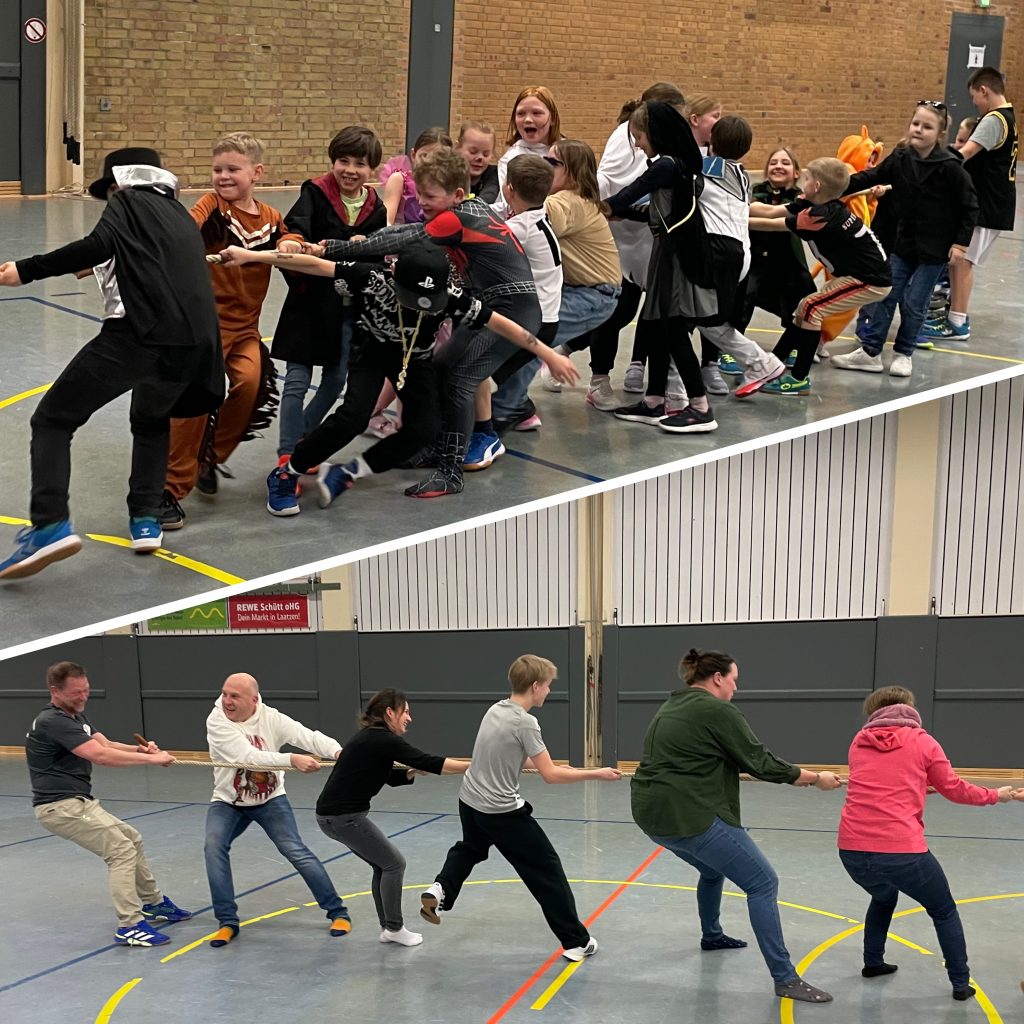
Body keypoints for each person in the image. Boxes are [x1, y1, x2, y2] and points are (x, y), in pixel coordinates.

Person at [0, 147, 223, 579]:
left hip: (139, 334)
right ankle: (146, 518)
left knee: (53, 419)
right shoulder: (177, 216)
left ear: (121, 183)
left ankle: (49, 525)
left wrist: (24, 271)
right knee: (151, 421)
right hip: (194, 346)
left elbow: (98, 244)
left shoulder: (129, 201)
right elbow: (129, 257)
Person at [219, 240, 575, 506]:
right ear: (394, 275)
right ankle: (288, 472)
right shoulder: (372, 276)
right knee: (354, 416)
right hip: (372, 351)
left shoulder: (451, 296)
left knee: (424, 429)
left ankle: (346, 472)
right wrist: (251, 255)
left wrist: (547, 353)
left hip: (414, 359)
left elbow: (501, 323)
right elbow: (312, 263)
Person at [311, 148, 544, 498]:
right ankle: (438, 447)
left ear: (457, 194)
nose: (421, 202)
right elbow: (411, 234)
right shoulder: (468, 210)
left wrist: (333, 248)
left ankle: (451, 472)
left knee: (461, 380)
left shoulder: (459, 217)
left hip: (514, 309)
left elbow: (407, 238)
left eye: (430, 196)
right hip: (496, 302)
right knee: (439, 368)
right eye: (419, 194)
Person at [631, 649, 843, 1004]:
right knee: (763, 882)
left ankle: (712, 935)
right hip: (689, 815)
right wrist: (815, 778)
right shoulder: (716, 710)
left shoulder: (672, 706)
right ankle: (785, 978)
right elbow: (760, 762)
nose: (735, 688)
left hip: (652, 816)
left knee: (712, 870)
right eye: (733, 680)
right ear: (717, 678)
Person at [419, 655, 622, 961]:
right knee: (547, 871)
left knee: (471, 848)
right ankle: (576, 942)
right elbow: (551, 777)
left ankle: (441, 888)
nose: (549, 691)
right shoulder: (526, 723)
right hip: (501, 812)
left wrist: (554, 765)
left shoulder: (495, 710)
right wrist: (596, 773)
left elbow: (510, 754)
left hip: (470, 802)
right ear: (536, 686)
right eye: (548, 685)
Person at [838, 685, 1024, 1001]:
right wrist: (996, 795)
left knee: (883, 897)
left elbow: (880, 782)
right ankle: (960, 984)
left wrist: (919, 785)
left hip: (852, 850)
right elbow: (955, 789)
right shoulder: (923, 741)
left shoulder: (859, 741)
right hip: (901, 851)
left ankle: (873, 962)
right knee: (943, 910)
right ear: (909, 708)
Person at [161, 132, 302, 529]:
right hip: (204, 328)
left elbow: (289, 236)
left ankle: (209, 457)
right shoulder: (212, 206)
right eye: (217, 169)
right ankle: (170, 489)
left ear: (257, 173)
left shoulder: (270, 217)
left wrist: (291, 243)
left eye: (232, 169)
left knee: (251, 385)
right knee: (193, 405)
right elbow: (188, 225)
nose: (222, 176)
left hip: (245, 331)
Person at [27, 661, 192, 947]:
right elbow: (100, 756)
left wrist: (140, 750)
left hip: (80, 803)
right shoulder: (52, 721)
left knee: (132, 839)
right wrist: (152, 760)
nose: (83, 697)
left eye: (86, 690)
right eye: (76, 692)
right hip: (60, 807)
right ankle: (129, 925)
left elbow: (105, 744)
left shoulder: (73, 715)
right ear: (55, 691)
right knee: (121, 851)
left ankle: (154, 904)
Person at [267, 126, 386, 514]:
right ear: (332, 161)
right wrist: (290, 241)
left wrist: (365, 247)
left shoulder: (375, 207)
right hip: (309, 304)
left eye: (360, 163)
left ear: (372, 169)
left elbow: (378, 255)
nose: (350, 170)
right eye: (343, 161)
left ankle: (304, 437)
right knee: (297, 380)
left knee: (335, 380)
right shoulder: (315, 192)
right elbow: (295, 228)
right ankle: (288, 455)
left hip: (349, 309)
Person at [828, 103, 976, 380]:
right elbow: (870, 176)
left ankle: (903, 353)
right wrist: (836, 186)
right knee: (885, 295)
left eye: (927, 127)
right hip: (902, 245)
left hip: (934, 250)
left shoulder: (950, 167)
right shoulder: (900, 158)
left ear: (940, 134)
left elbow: (969, 206)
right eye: (916, 124)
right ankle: (870, 352)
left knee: (914, 302)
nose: (918, 130)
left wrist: (960, 244)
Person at [204, 672, 351, 948]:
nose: (227, 701)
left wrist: (338, 752)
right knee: (213, 847)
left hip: (270, 800)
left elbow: (307, 737)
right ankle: (227, 922)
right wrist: (292, 759)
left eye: (234, 696)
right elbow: (248, 757)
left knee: (295, 850)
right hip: (228, 802)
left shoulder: (271, 718)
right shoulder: (217, 721)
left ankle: (338, 913)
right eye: (224, 694)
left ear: (254, 700)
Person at [315, 689, 469, 947]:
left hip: (333, 817)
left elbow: (390, 777)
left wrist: (412, 771)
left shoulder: (371, 738)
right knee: (394, 864)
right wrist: (472, 767)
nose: (409, 718)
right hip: (344, 818)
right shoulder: (382, 739)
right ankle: (394, 928)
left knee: (382, 865)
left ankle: (389, 928)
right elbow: (430, 761)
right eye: (405, 712)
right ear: (390, 713)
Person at [490, 138, 621, 419]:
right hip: (583, 291)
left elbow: (530, 224)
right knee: (526, 335)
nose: (545, 166)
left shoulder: (565, 202)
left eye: (552, 162)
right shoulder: (575, 199)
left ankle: (506, 408)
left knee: (530, 339)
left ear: (572, 172)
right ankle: (515, 402)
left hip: (594, 295)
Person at [749, 157, 892, 393]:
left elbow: (770, 224)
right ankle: (774, 362)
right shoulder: (814, 203)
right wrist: (737, 208)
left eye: (806, 179)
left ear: (816, 186)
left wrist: (732, 222)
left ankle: (799, 378)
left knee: (811, 309)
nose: (803, 183)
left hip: (870, 280)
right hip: (858, 274)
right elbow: (771, 211)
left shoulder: (819, 216)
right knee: (803, 309)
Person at [923, 68, 1016, 342]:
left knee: (961, 261)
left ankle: (957, 322)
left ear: (984, 90)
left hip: (987, 205)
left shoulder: (994, 119)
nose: (974, 102)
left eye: (974, 96)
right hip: (991, 202)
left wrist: (932, 165)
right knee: (959, 261)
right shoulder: (1008, 117)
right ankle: (956, 315)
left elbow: (965, 154)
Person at [736, 147, 816, 390]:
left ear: (796, 173)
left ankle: (793, 347)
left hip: (788, 263)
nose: (778, 166)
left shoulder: (801, 198)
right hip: (757, 262)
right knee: (742, 299)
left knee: (806, 298)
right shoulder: (755, 192)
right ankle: (729, 349)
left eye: (785, 163)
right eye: (773, 162)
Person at [381, 126, 454, 226]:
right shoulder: (399, 179)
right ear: (413, 155)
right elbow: (386, 221)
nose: (429, 162)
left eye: (438, 157)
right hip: (403, 233)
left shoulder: (449, 184)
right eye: (424, 156)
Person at [497, 86, 562, 189]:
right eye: (521, 114)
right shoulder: (510, 159)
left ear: (553, 118)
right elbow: (509, 197)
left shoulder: (569, 154)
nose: (527, 119)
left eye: (536, 113)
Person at [457, 120, 500, 204]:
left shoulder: (494, 175)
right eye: (473, 152)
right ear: (458, 147)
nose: (480, 158)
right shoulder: (447, 173)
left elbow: (487, 200)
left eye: (486, 154)